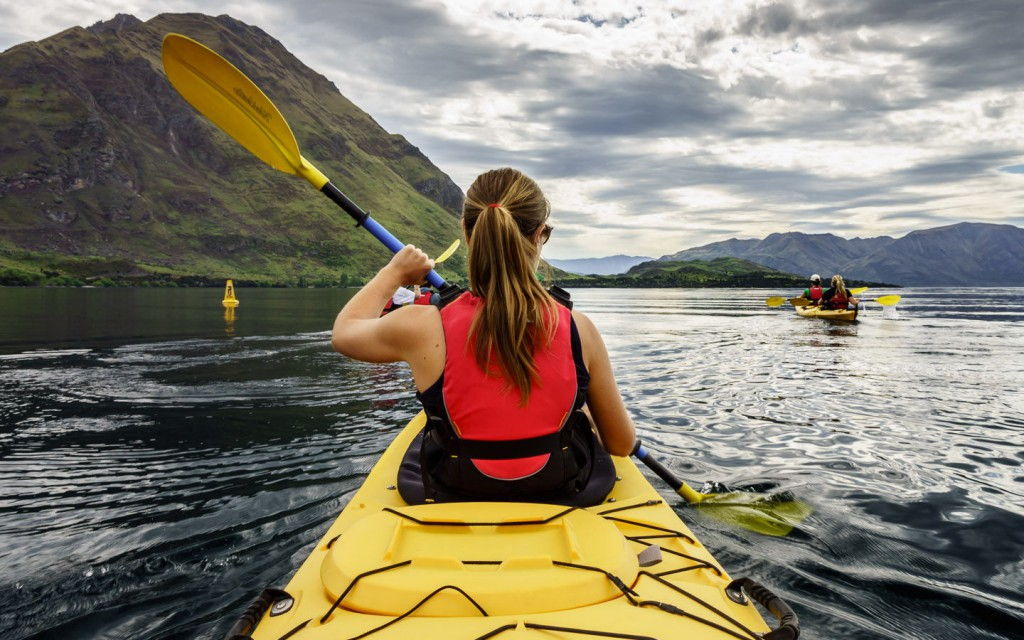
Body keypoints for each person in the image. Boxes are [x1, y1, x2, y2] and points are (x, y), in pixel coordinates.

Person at [331, 167, 635, 506]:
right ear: (539, 235)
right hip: (560, 490)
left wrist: (395, 272)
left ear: (466, 231)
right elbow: (620, 444)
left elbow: (345, 332)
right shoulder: (580, 328)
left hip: (454, 489)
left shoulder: (421, 325)